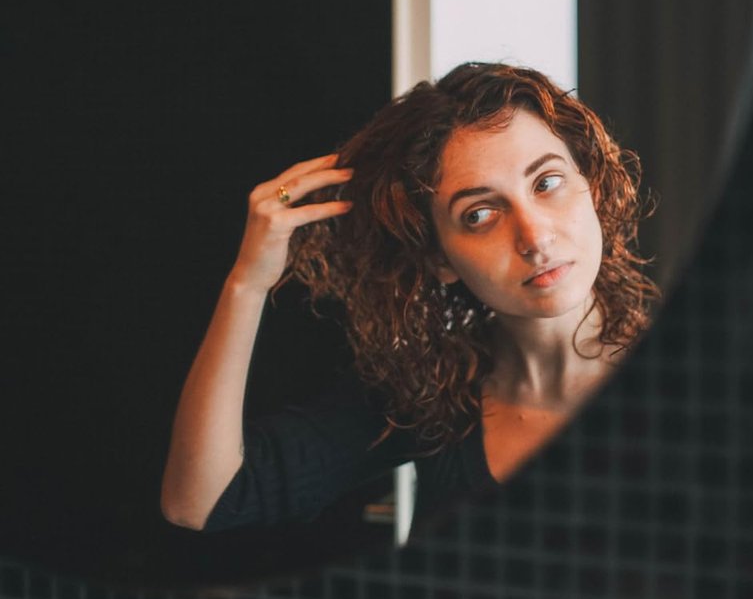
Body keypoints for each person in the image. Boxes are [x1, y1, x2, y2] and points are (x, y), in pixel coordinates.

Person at [161, 62, 659, 534]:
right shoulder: (432, 396)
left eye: (547, 183)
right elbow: (200, 501)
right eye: (479, 215)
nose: (534, 237)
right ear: (440, 258)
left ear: (592, 187)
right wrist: (247, 283)